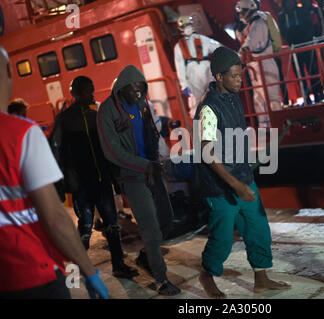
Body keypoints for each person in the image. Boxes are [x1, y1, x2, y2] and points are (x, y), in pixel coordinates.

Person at [0, 45, 108, 299]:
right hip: (30, 273)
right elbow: (55, 218)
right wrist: (89, 272)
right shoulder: (21, 133)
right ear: (7, 70)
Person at [194, 46, 291, 298]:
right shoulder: (208, 109)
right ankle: (207, 275)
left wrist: (247, 170)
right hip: (220, 187)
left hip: (242, 177)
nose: (240, 80)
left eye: (241, 75)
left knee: (258, 227)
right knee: (223, 239)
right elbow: (207, 153)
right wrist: (235, 185)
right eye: (235, 76)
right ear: (219, 77)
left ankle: (261, 278)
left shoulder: (234, 98)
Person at [97, 65, 180, 296]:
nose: (137, 94)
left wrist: (159, 160)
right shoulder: (107, 110)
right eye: (133, 90)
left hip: (152, 170)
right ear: (121, 89)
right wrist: (146, 166)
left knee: (167, 220)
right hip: (132, 175)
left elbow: (151, 133)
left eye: (141, 90)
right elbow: (110, 150)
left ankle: (146, 255)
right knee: (150, 227)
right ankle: (161, 280)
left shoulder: (142, 104)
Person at [50, 76, 138, 279]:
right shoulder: (64, 119)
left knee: (112, 224)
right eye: (87, 91)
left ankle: (118, 265)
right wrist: (61, 182)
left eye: (92, 90)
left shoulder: (95, 115)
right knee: (85, 228)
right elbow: (55, 150)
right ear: (74, 93)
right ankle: (74, 270)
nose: (91, 94)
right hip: (80, 184)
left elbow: (109, 145)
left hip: (102, 179)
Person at [235, 0, 282, 127]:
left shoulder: (258, 23)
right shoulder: (250, 25)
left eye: (243, 12)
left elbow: (249, 44)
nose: (240, 15)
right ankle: (265, 127)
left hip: (265, 63)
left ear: (250, 10)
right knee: (259, 98)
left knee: (271, 97)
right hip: (255, 65)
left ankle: (278, 125)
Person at [174, 15, 222, 119]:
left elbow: (218, 48)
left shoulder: (202, 39)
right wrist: (184, 85)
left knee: (213, 99)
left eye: (188, 25)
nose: (187, 28)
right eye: (184, 26)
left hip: (205, 70)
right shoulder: (179, 46)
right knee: (196, 103)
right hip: (193, 74)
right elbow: (180, 66)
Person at [278, 0, 324, 104]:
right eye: (287, 3)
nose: (290, 4)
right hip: (294, 48)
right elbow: (283, 32)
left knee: (312, 71)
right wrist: (290, 42)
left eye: (291, 2)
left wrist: (306, 40)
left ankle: (318, 95)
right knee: (300, 75)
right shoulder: (281, 16)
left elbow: (309, 26)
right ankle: (306, 97)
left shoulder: (302, 11)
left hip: (306, 45)